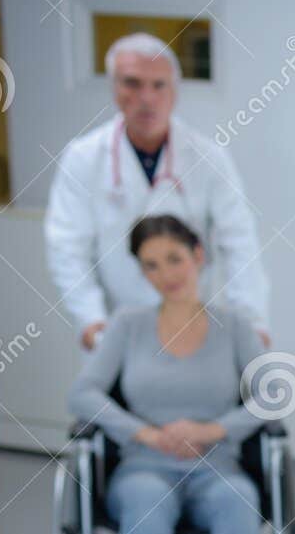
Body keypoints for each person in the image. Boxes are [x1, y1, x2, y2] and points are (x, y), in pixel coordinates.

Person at [67, 215, 266, 534]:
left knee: (240, 500)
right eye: (151, 265)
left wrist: (212, 428)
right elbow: (84, 393)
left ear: (198, 255)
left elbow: (268, 397)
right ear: (142, 272)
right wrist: (147, 435)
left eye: (174, 259)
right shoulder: (128, 326)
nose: (166, 273)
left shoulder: (235, 325)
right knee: (147, 505)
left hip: (216, 465)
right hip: (143, 467)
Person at [45, 33, 270, 354]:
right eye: (132, 84)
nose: (146, 97)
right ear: (114, 88)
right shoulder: (82, 158)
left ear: (174, 91)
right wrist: (89, 317)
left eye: (158, 85)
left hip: (193, 325)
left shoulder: (208, 158)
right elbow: (67, 246)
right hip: (115, 328)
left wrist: (252, 322)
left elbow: (239, 242)